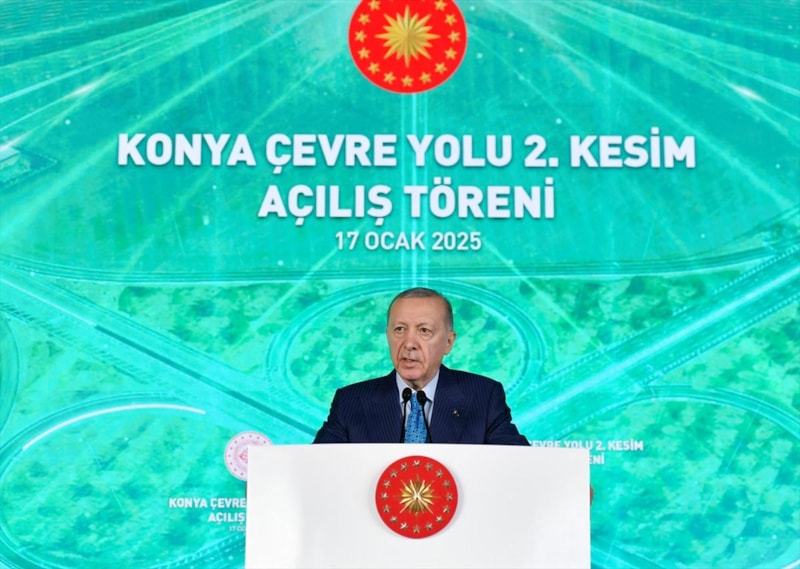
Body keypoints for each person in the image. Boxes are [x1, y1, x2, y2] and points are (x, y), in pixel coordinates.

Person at [313, 287, 529, 445]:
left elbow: (518, 465)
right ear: (387, 335)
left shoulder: (483, 397)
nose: (409, 343)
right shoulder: (351, 402)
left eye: (424, 331)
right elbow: (317, 468)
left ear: (448, 342)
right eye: (399, 329)